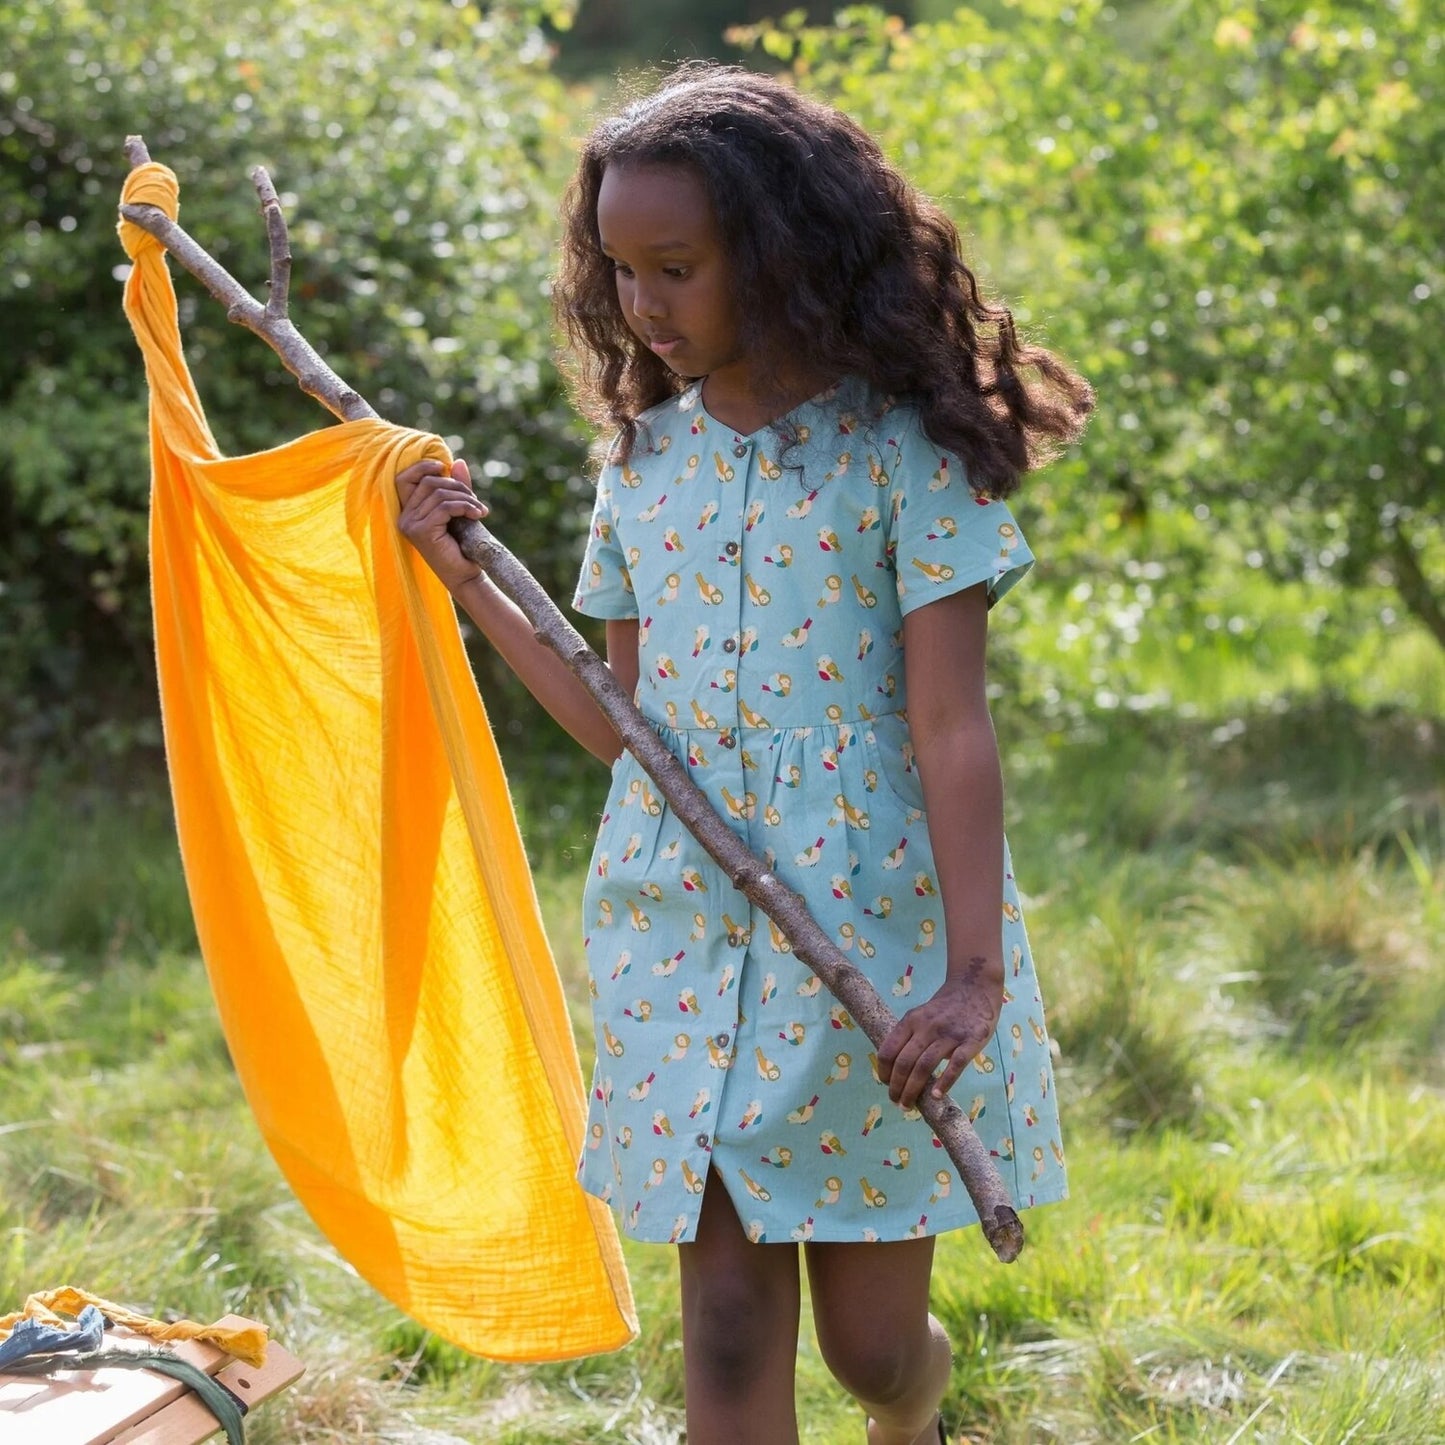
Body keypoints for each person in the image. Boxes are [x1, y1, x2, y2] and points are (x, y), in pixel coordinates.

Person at [396, 62, 1092, 1445]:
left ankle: (918, 1398)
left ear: (778, 259)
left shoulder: (903, 455)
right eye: (620, 271)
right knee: (718, 1330)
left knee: (871, 1347)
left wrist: (968, 976)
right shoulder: (642, 463)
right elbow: (618, 724)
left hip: (867, 937)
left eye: (676, 266)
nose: (642, 304)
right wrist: (464, 573)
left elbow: (950, 725)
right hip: (682, 929)